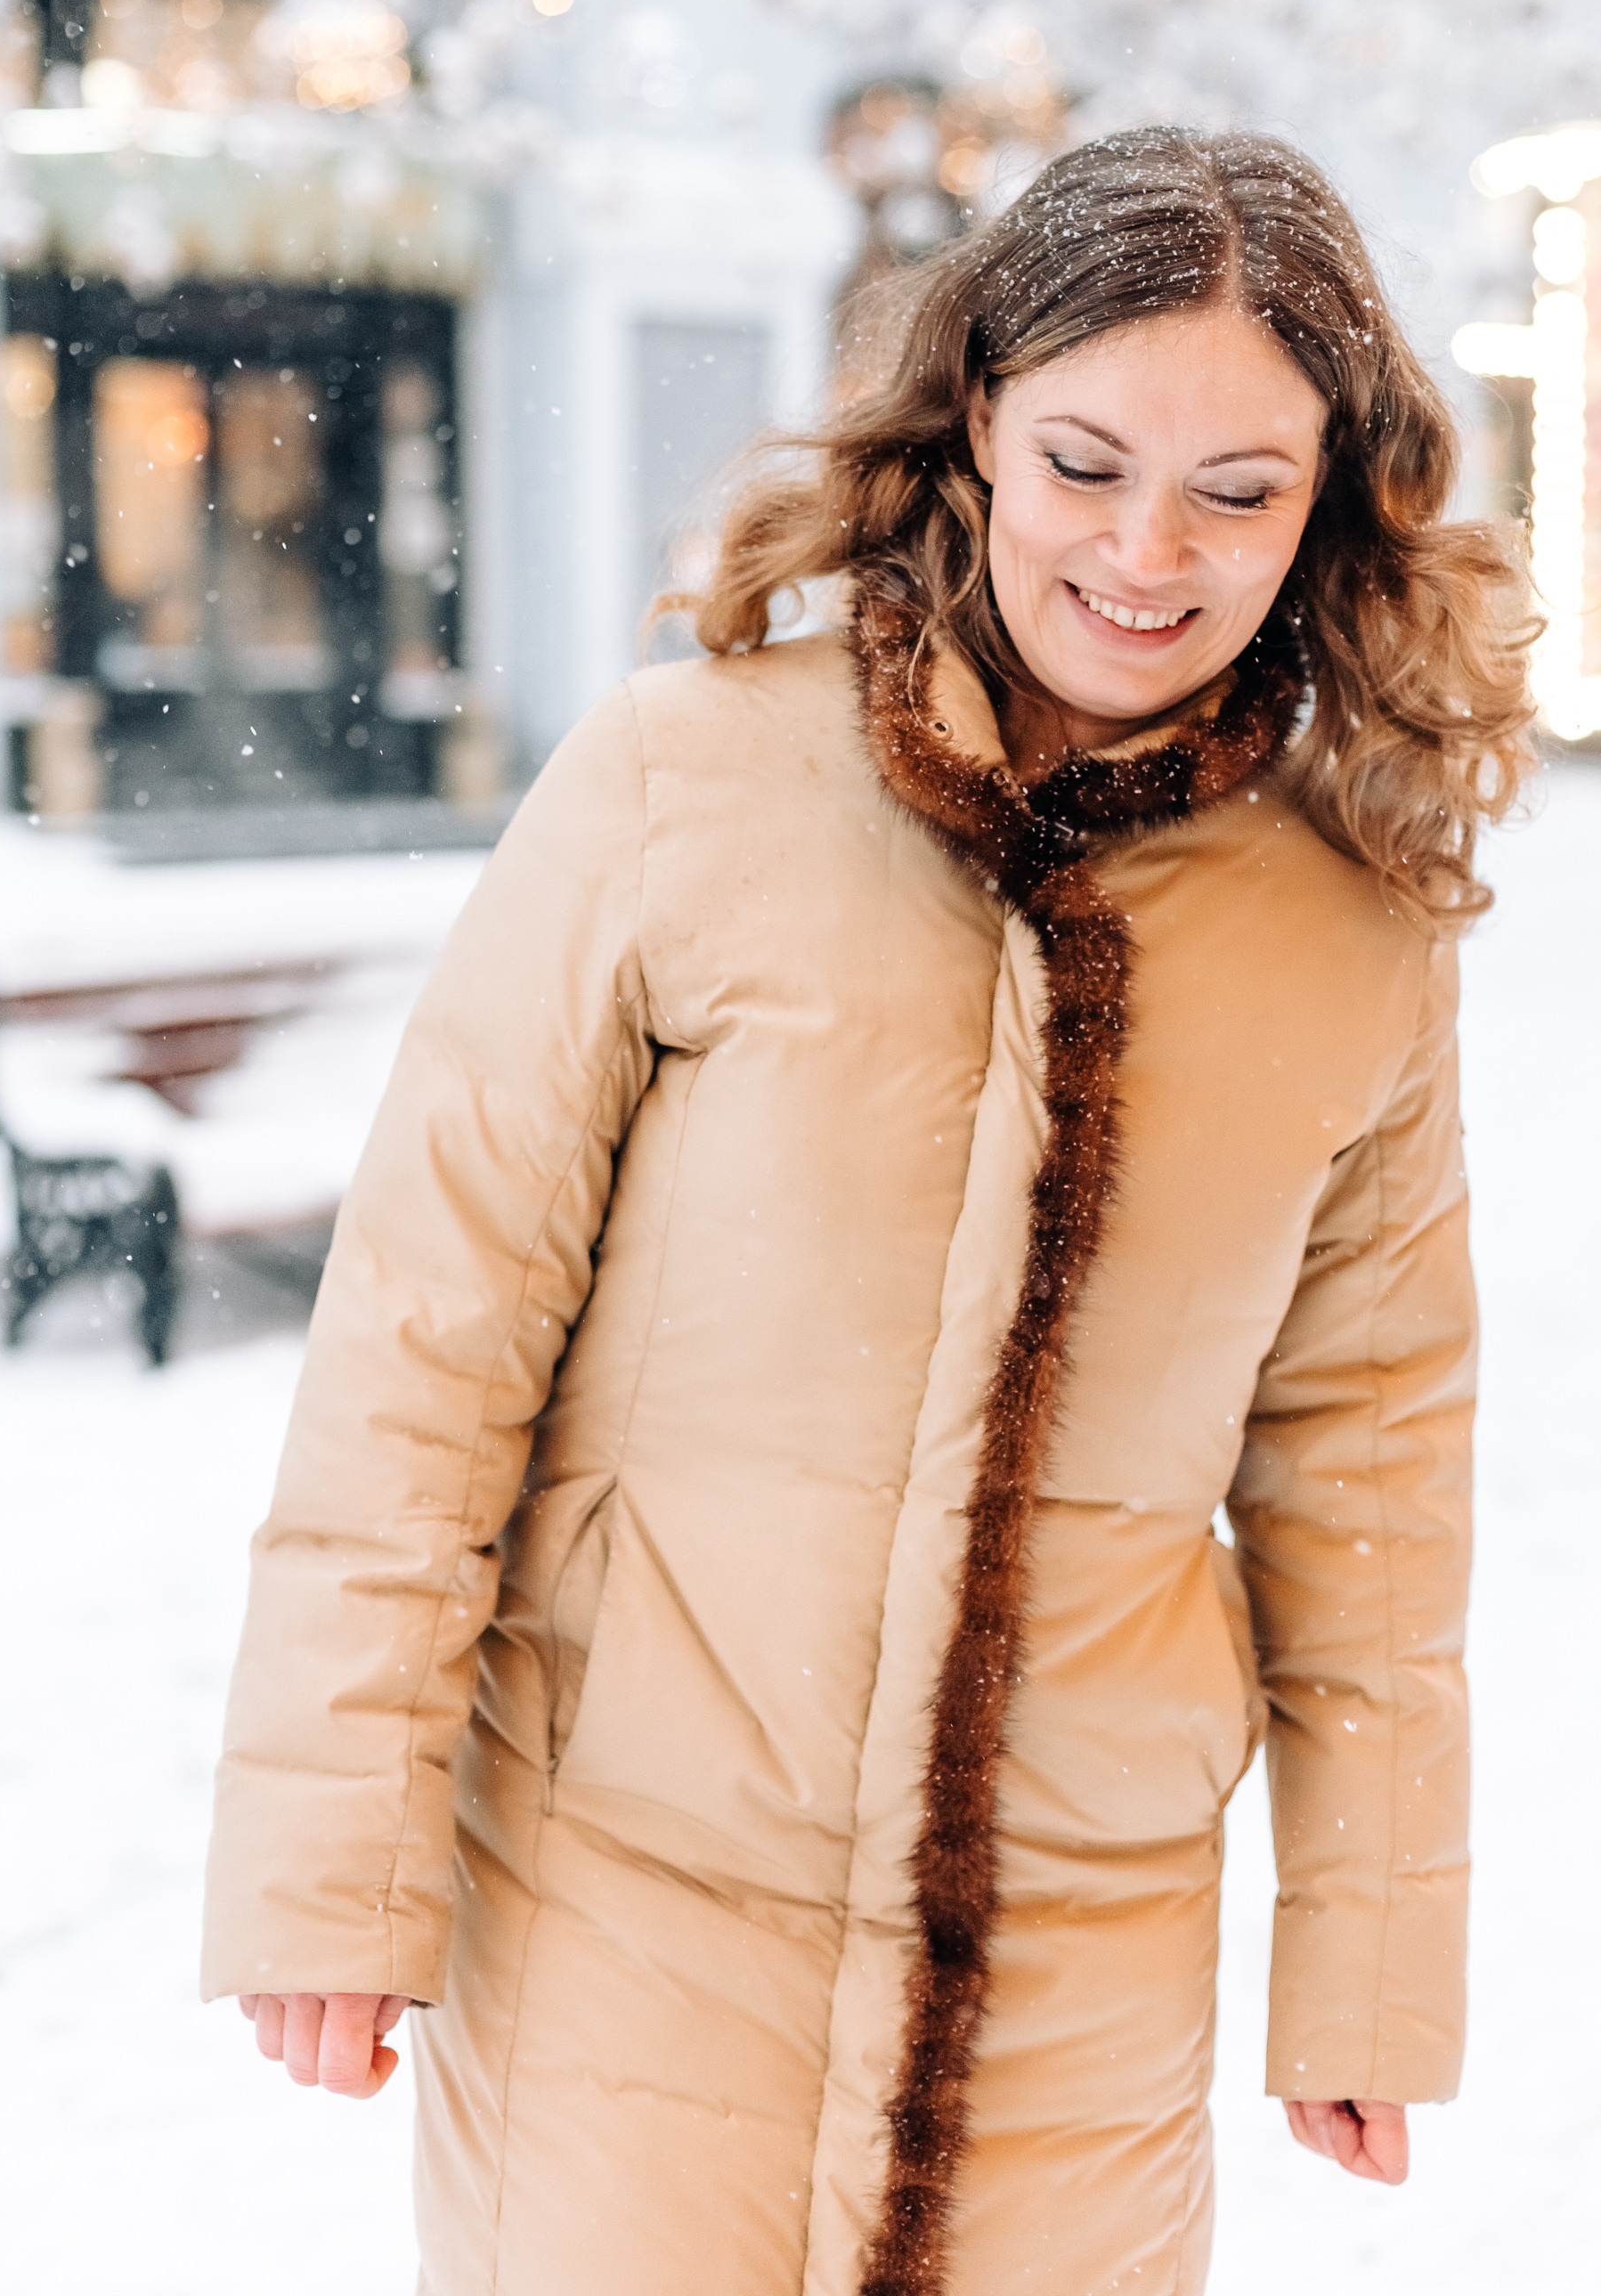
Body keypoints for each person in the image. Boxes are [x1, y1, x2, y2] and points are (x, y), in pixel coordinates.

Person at [201, 127, 1536, 2296]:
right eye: (1087, 463)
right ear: (980, 416)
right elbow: (426, 1340)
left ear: (1326, 501)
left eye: (1235, 490)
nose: (1147, 552)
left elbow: (1369, 1481)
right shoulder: (679, 783)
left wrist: (1370, 1963)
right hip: (620, 1907)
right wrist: (328, 1862)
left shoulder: (1352, 932)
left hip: (1083, 1970)